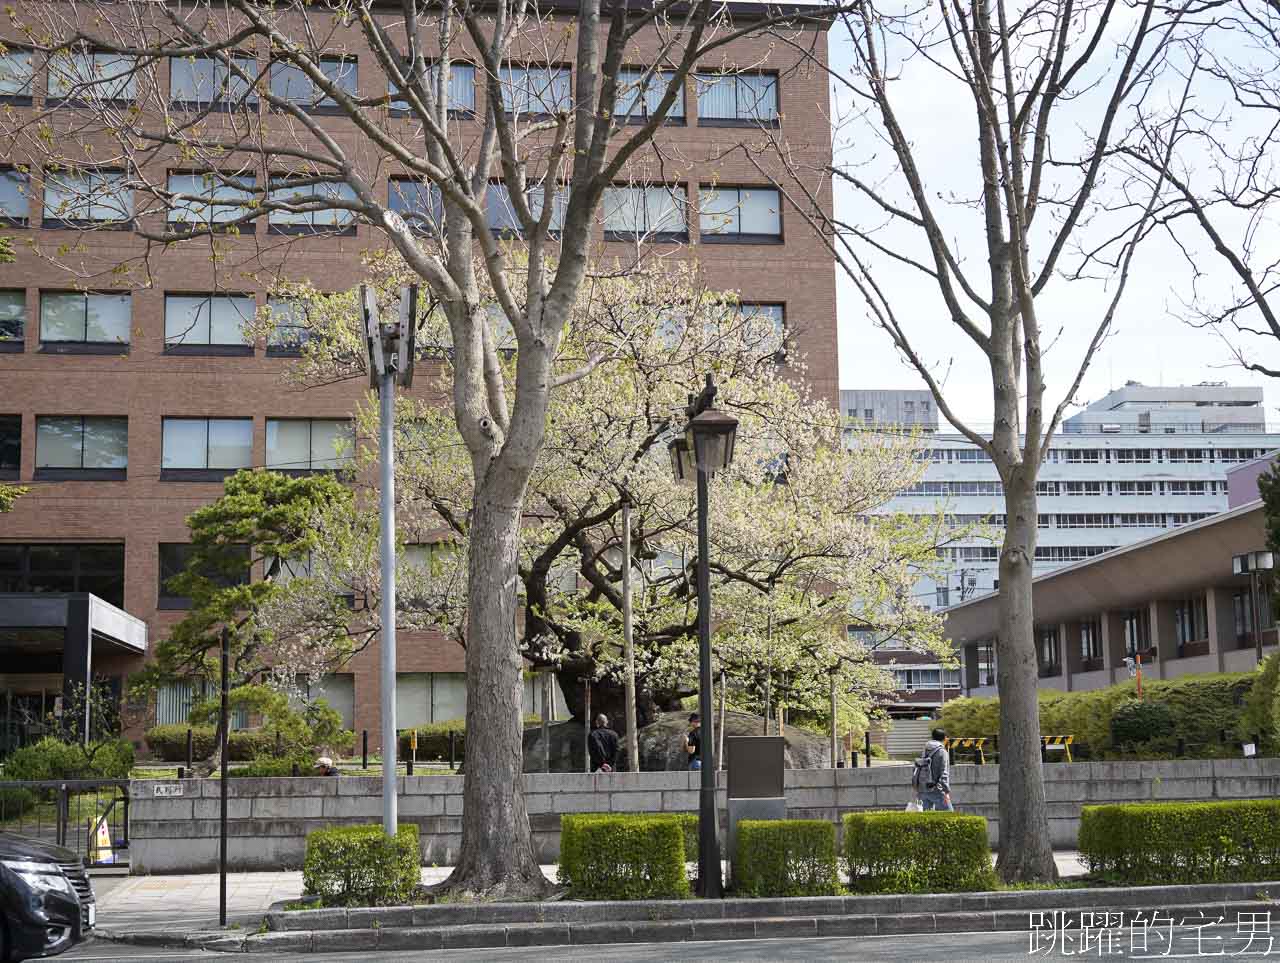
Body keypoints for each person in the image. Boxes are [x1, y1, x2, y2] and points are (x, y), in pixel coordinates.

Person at [912, 728, 952, 811]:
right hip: (936, 788)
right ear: (944, 738)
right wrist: (946, 791)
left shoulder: (926, 749)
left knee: (927, 818)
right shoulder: (942, 751)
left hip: (922, 787)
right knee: (949, 815)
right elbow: (944, 772)